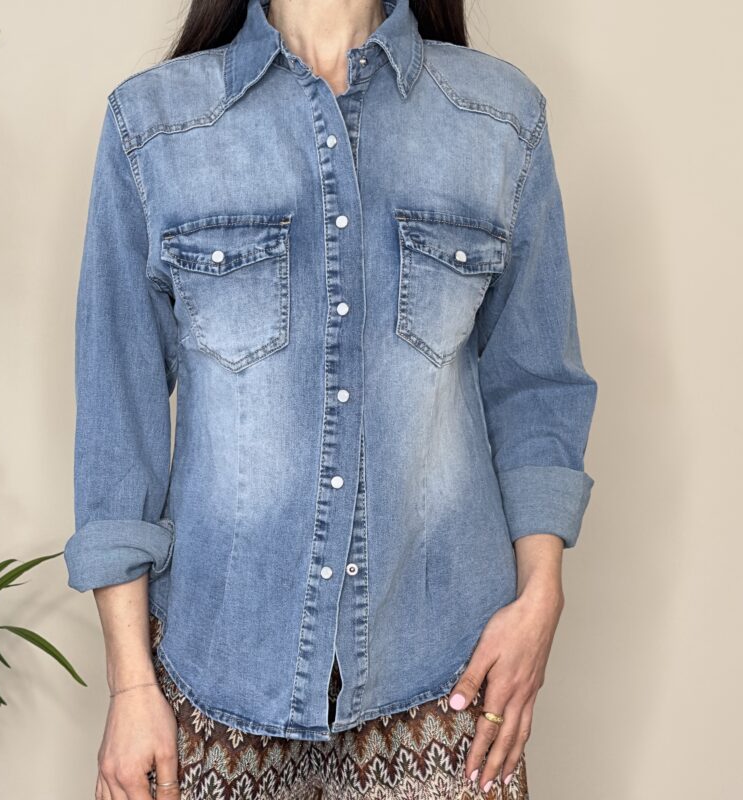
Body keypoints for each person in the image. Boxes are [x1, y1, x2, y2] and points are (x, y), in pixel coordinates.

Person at [63, 0, 598, 797]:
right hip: (214, 687)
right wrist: (130, 684)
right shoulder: (154, 125)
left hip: (448, 685)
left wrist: (540, 601)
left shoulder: (499, 117)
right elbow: (118, 427)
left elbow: (535, 390)